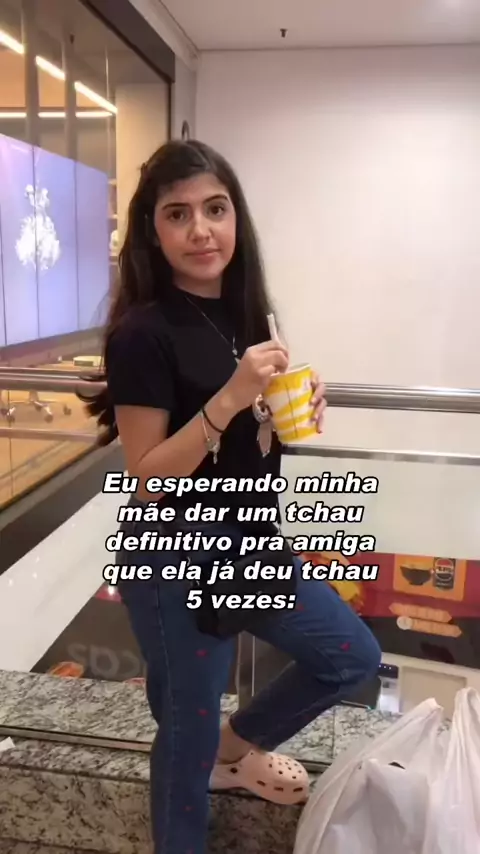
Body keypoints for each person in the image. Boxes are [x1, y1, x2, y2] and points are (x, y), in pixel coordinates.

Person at [82, 140, 381, 854]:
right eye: (177, 214)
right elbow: (149, 475)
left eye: (215, 209)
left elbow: (254, 434)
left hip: (250, 543)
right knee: (182, 739)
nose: (201, 230)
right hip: (175, 556)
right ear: (153, 230)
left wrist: (288, 405)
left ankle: (233, 750)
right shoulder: (143, 333)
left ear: (235, 216)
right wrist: (230, 397)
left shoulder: (250, 313)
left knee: (351, 657)